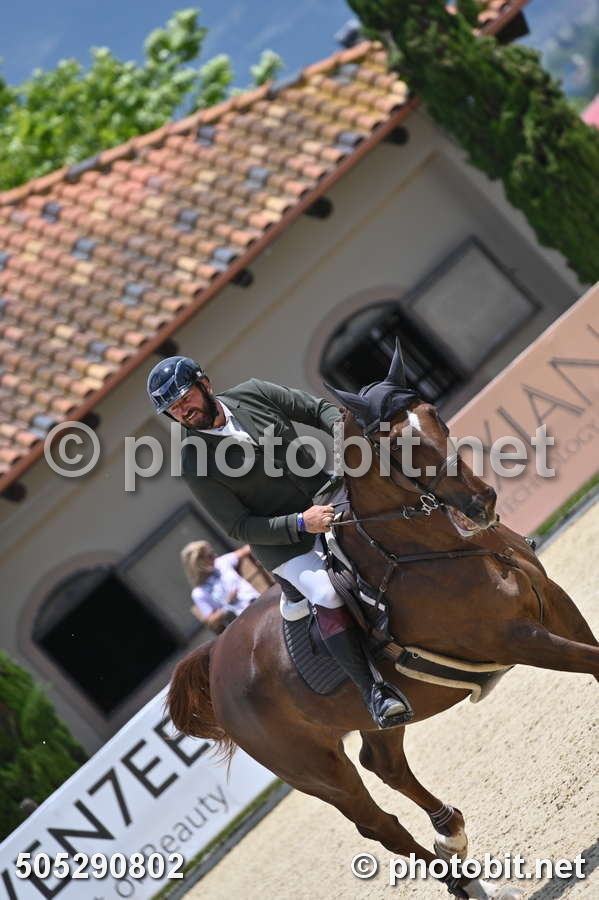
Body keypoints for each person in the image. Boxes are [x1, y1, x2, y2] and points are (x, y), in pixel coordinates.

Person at [147, 356, 410, 728]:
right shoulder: (193, 462)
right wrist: (302, 523)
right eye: (173, 409)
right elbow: (238, 526)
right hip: (287, 546)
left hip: (330, 495)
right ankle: (374, 694)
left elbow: (319, 411)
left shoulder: (253, 392)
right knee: (326, 592)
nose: (182, 411)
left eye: (185, 398)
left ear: (205, 385)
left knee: (401, 512)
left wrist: (347, 443)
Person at [181, 541, 259, 634]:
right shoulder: (199, 592)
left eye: (213, 552)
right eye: (210, 556)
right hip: (242, 620)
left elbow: (247, 549)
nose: (215, 556)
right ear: (199, 563)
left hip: (258, 601)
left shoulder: (222, 562)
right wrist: (227, 604)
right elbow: (212, 621)